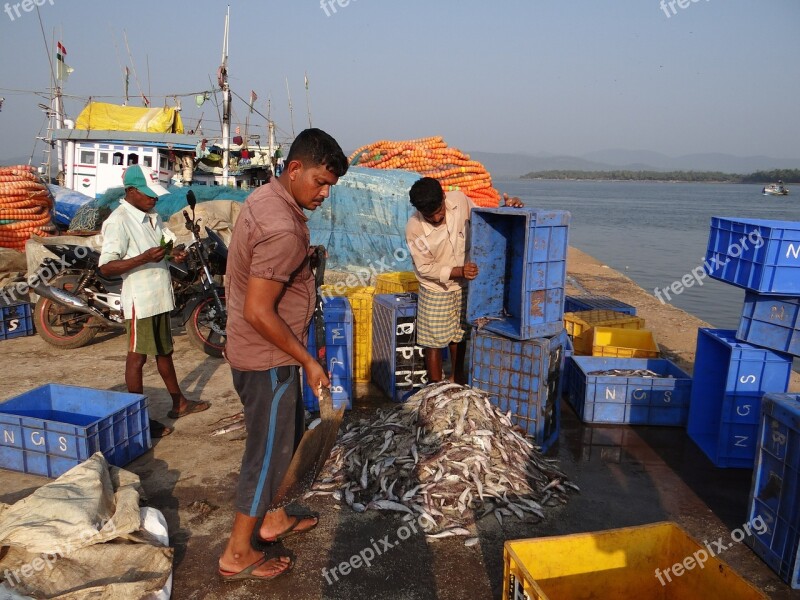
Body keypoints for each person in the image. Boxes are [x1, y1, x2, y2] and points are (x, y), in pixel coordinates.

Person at [218, 128, 348, 581]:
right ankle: (238, 552)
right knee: (267, 454)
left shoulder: (264, 199)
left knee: (283, 438)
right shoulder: (284, 228)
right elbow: (259, 310)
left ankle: (272, 518)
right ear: (294, 169)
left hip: (257, 352)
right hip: (267, 359)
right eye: (320, 182)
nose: (324, 194)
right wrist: (309, 360)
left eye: (330, 185)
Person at [98, 165, 211, 437]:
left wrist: (174, 255)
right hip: (141, 299)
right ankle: (138, 422)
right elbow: (106, 267)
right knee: (137, 358)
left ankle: (179, 402)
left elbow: (165, 246)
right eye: (148, 194)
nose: (154, 198)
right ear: (131, 191)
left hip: (160, 296)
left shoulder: (151, 217)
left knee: (164, 352)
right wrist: (144, 258)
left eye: (155, 194)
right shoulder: (119, 221)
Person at [405, 177, 523, 385]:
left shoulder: (460, 200)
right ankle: (435, 386)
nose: (436, 217)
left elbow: (484, 222)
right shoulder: (414, 228)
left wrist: (507, 209)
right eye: (429, 216)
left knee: (459, 335)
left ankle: (457, 378)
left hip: (465, 285)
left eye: (439, 211)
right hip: (436, 288)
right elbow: (425, 267)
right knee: (433, 341)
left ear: (443, 196)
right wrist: (458, 270)